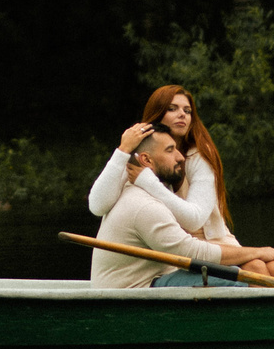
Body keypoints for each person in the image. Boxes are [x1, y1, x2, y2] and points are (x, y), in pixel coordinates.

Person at [94, 125, 274, 288]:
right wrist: (258, 251)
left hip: (158, 276)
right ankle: (266, 332)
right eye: (170, 150)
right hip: (135, 289)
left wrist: (258, 256)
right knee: (250, 277)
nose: (181, 157)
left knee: (267, 268)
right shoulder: (143, 205)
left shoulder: (152, 190)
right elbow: (192, 253)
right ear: (146, 160)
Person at [87, 84, 235, 246]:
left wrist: (147, 181)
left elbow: (194, 220)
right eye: (172, 109)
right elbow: (97, 206)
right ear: (157, 114)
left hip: (213, 241)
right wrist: (123, 150)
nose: (182, 115)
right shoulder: (142, 153)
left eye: (187, 111)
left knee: (263, 265)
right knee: (258, 266)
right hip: (179, 247)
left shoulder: (199, 154)